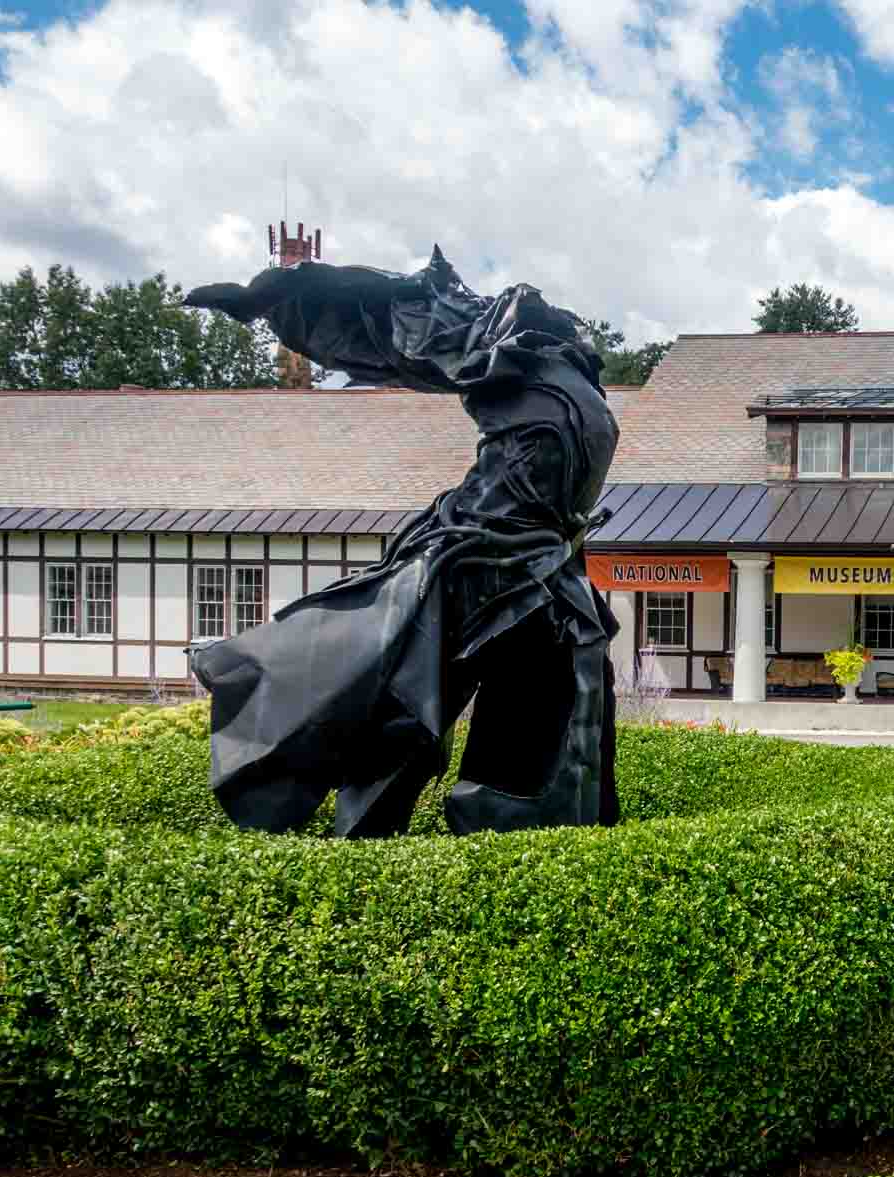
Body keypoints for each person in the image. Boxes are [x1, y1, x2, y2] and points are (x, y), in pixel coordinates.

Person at [184, 247, 619, 836]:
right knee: (410, 706)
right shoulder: (494, 341)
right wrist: (276, 299)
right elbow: (390, 318)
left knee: (565, 704)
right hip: (479, 554)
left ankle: (533, 835)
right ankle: (361, 842)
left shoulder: (563, 365)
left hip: (548, 565)